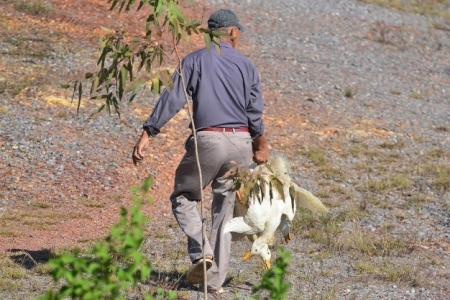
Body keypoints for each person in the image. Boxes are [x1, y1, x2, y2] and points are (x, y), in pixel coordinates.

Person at [132, 8, 270, 295]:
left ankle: (201, 252)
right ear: (232, 32)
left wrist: (149, 131)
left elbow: (173, 98)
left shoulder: (194, 60)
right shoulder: (247, 65)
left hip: (208, 140)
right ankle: (214, 282)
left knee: (184, 196)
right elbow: (254, 112)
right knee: (225, 211)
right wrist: (260, 143)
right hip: (241, 143)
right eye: (239, 32)